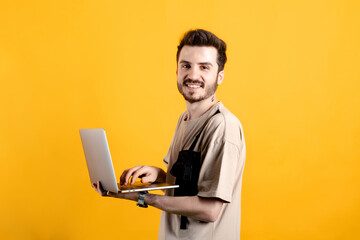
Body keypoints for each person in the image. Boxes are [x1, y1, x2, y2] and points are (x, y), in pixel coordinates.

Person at [92, 29, 246, 240]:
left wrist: (143, 197)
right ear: (177, 71)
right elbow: (188, 187)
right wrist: (159, 176)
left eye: (204, 67)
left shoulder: (222, 126)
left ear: (219, 76)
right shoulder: (184, 119)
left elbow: (210, 209)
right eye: (186, 65)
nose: (193, 75)